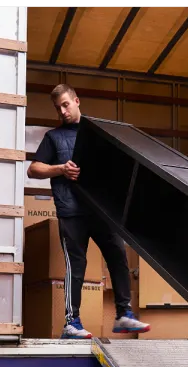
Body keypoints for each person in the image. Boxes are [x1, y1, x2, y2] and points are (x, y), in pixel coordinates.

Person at [28, 84, 151, 339]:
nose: (62, 111)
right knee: (77, 266)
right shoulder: (54, 138)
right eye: (58, 108)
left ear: (77, 101)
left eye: (66, 104)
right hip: (71, 212)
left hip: (101, 211)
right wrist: (60, 168)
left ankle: (124, 315)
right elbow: (34, 169)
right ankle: (71, 323)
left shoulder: (98, 133)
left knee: (118, 255)